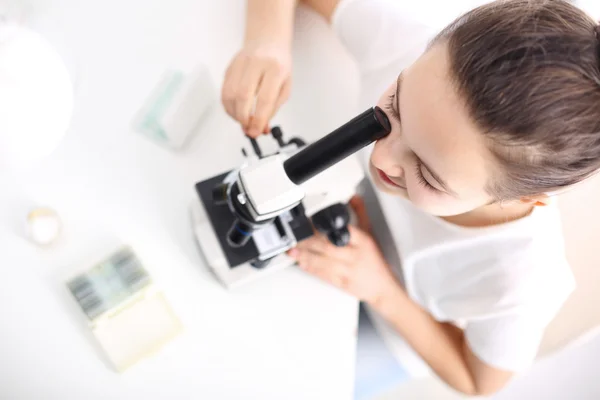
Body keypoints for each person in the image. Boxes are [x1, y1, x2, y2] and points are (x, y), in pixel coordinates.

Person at [221, 0, 600, 397]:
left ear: (525, 198)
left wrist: (381, 289)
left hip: (389, 328)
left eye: (428, 174)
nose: (380, 156)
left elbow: (478, 382)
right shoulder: (412, 46)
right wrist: (267, 43)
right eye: (393, 108)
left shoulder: (522, 282)